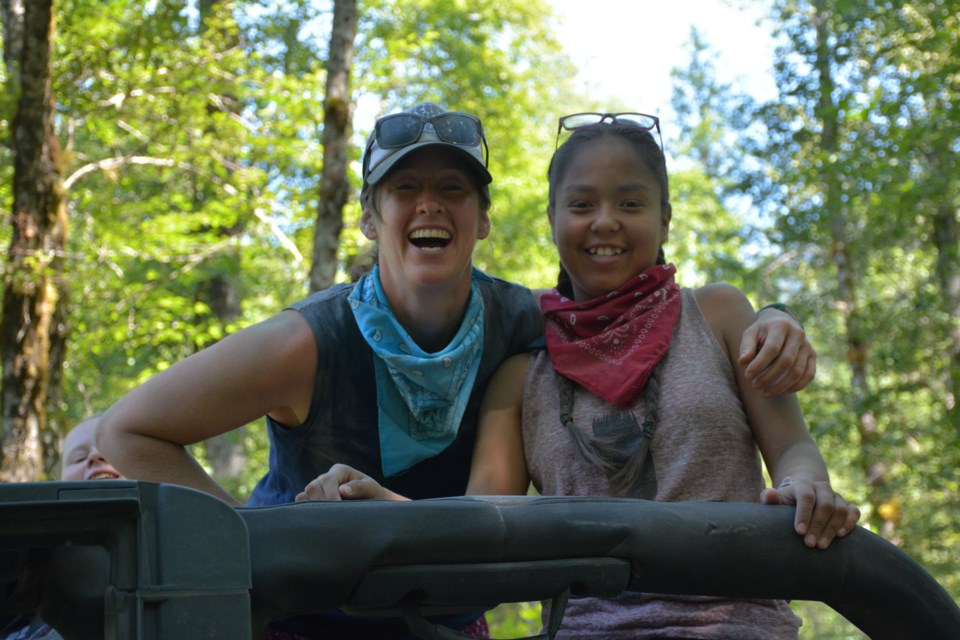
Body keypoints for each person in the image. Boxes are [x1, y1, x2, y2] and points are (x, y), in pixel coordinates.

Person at [97, 102, 815, 639]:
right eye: (404, 189)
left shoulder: (528, 327)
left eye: (454, 188)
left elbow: (640, 318)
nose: (430, 204)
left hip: (444, 621)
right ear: (371, 218)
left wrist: (776, 312)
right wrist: (246, 548)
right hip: (295, 620)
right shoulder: (312, 341)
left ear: (484, 218)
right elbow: (127, 429)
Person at [305, 113, 860, 639]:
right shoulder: (522, 374)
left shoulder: (720, 317)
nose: (605, 221)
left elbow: (793, 448)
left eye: (631, 202)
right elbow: (473, 531)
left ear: (664, 217)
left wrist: (804, 487)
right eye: (582, 203)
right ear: (552, 220)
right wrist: (382, 504)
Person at [0, 416, 125, 640]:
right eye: (78, 458)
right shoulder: (31, 549)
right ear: (59, 481)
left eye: (114, 450)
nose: (95, 456)